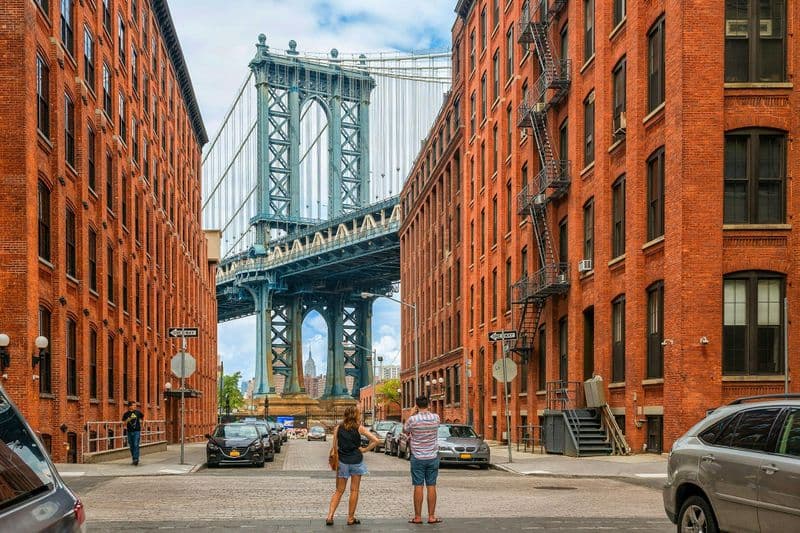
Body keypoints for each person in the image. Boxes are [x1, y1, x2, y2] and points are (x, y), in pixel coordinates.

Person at [325, 406, 379, 526]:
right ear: (356, 415)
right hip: (356, 461)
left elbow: (334, 446)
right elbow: (376, 440)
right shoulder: (359, 428)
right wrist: (365, 449)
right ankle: (350, 518)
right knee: (354, 490)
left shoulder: (338, 428)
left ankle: (330, 516)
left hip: (342, 461)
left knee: (339, 490)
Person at [404, 396, 442, 524]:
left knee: (418, 485)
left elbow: (405, 430)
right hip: (432, 456)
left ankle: (418, 517)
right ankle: (431, 516)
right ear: (429, 405)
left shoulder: (413, 420)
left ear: (416, 406)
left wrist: (411, 414)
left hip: (417, 457)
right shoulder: (436, 418)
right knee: (431, 485)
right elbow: (437, 427)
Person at [122, 401, 144, 466]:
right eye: (133, 405)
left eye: (135, 405)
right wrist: (127, 420)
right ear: (130, 406)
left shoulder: (138, 412)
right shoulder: (126, 414)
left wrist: (143, 425)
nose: (135, 406)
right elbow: (123, 423)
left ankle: (136, 459)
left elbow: (143, 417)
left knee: (136, 444)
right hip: (129, 431)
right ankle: (134, 458)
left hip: (137, 431)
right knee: (131, 446)